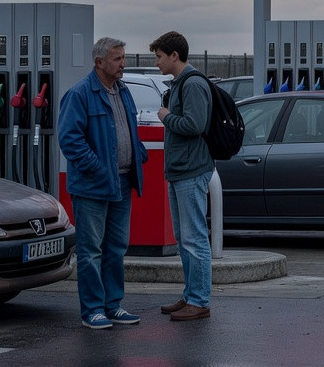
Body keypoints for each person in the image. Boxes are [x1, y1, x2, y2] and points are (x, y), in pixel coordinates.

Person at [57, 37, 148, 330]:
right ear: (99, 62)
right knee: (91, 250)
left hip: (121, 183)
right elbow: (69, 140)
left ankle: (113, 305)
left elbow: (129, 129)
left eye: (123, 57)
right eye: (117, 59)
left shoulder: (124, 92)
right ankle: (93, 310)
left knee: (116, 248)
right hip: (92, 187)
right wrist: (97, 169)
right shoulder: (80, 93)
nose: (123, 63)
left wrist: (139, 155)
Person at [152, 30, 214, 322]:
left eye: (160, 57)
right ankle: (191, 294)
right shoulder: (179, 84)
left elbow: (194, 124)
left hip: (191, 171)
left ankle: (200, 300)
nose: (157, 63)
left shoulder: (193, 84)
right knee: (183, 237)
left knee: (195, 238)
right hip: (179, 172)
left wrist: (166, 117)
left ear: (175, 55)